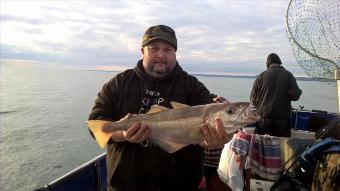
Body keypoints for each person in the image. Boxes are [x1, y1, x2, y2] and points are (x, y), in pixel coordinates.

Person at [88, 25, 231, 191]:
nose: (161, 55)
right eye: (154, 48)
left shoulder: (192, 86)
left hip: (181, 184)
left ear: (175, 53)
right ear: (142, 51)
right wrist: (122, 135)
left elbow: (211, 121)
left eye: (168, 49)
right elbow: (96, 124)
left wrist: (214, 140)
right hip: (125, 184)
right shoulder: (119, 83)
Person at [250, 53, 302, 137]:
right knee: (281, 147)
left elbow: (253, 99)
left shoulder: (260, 76)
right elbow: (295, 96)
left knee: (262, 146)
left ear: (267, 63)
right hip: (282, 121)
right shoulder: (288, 75)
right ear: (279, 62)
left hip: (263, 120)